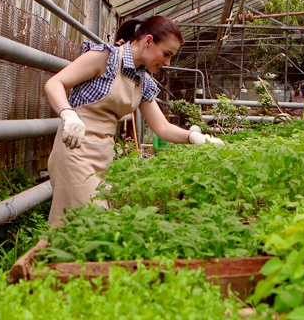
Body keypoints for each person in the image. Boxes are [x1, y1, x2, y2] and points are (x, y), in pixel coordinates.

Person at [44, 15, 223, 226]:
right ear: (148, 41)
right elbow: (55, 83)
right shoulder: (105, 58)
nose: (167, 62)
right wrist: (68, 113)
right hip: (74, 149)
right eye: (166, 54)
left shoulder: (143, 81)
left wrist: (194, 137)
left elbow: (162, 127)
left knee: (90, 225)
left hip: (102, 154)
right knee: (83, 223)